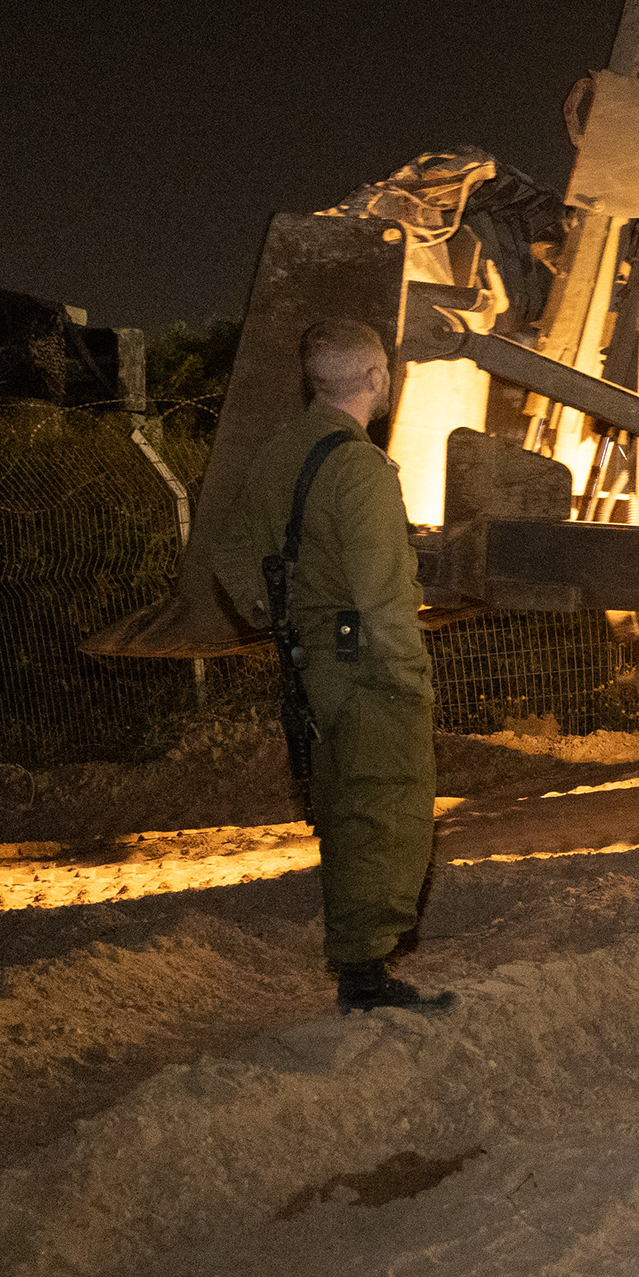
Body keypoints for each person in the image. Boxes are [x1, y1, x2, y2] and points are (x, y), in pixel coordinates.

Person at [212, 318, 452, 1014]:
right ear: (376, 378)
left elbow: (230, 551)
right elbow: (382, 597)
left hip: (318, 650)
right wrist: (409, 681)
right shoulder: (360, 469)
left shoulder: (281, 449)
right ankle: (366, 978)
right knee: (387, 805)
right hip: (361, 654)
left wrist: (278, 613)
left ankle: (358, 964)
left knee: (344, 804)